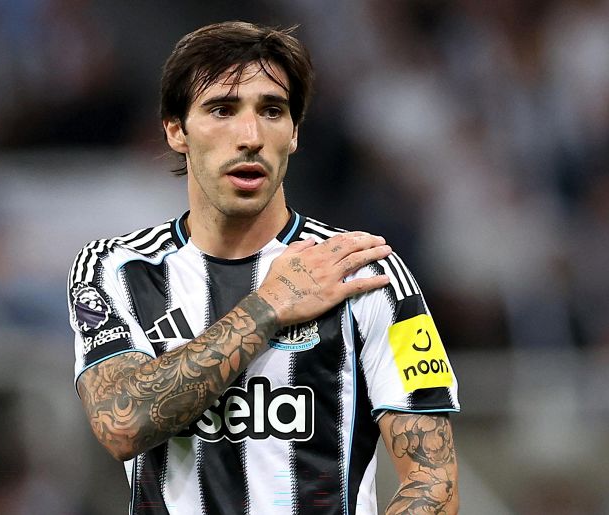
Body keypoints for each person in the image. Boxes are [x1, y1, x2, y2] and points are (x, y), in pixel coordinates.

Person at [67, 21, 460, 515]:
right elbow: (122, 423)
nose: (250, 136)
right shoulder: (115, 269)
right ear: (175, 130)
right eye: (222, 110)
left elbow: (434, 484)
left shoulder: (366, 274)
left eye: (272, 111)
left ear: (293, 133)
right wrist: (269, 305)